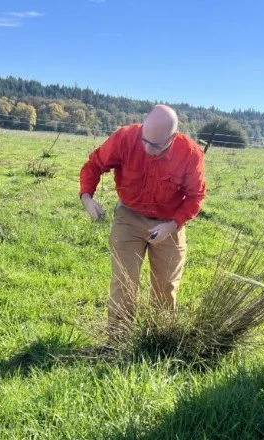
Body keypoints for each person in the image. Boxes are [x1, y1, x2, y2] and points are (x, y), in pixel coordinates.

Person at [79, 104, 206, 336]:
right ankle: (118, 338)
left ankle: (158, 339)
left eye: (155, 145)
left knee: (165, 286)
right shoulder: (125, 138)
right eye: (144, 140)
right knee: (124, 282)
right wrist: (87, 198)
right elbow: (94, 164)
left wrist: (172, 225)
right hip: (129, 216)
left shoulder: (190, 153)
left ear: (173, 137)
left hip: (169, 221)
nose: (147, 148)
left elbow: (196, 196)